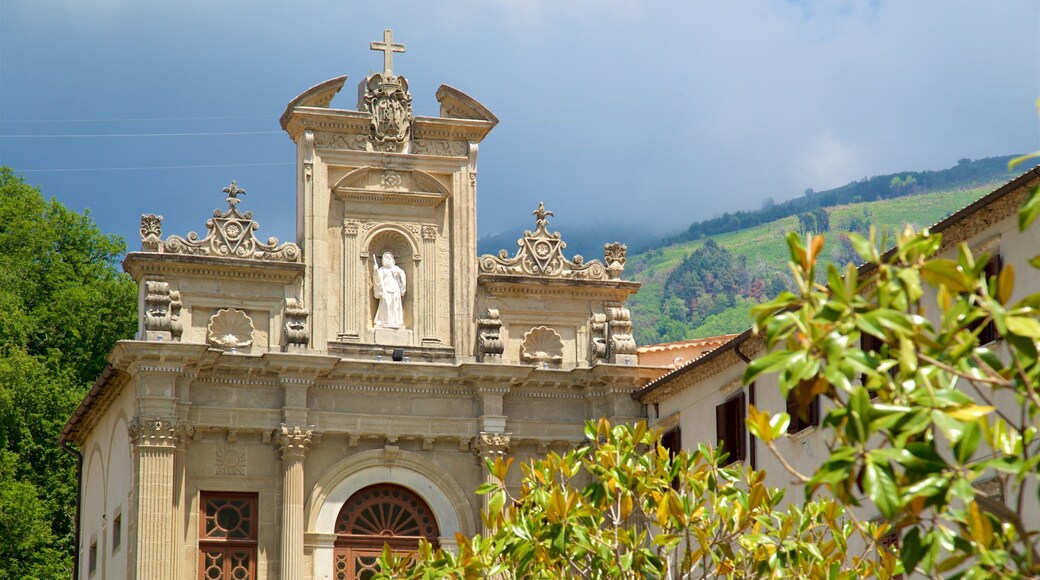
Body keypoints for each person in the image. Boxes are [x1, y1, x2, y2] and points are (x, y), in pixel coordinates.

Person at [373, 251, 406, 329]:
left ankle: (395, 320)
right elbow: (378, 279)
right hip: (385, 288)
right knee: (384, 303)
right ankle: (383, 320)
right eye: (386, 258)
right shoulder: (382, 269)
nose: (388, 259)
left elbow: (403, 276)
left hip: (395, 287)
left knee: (395, 303)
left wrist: (399, 273)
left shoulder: (396, 268)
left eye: (389, 258)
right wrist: (375, 271)